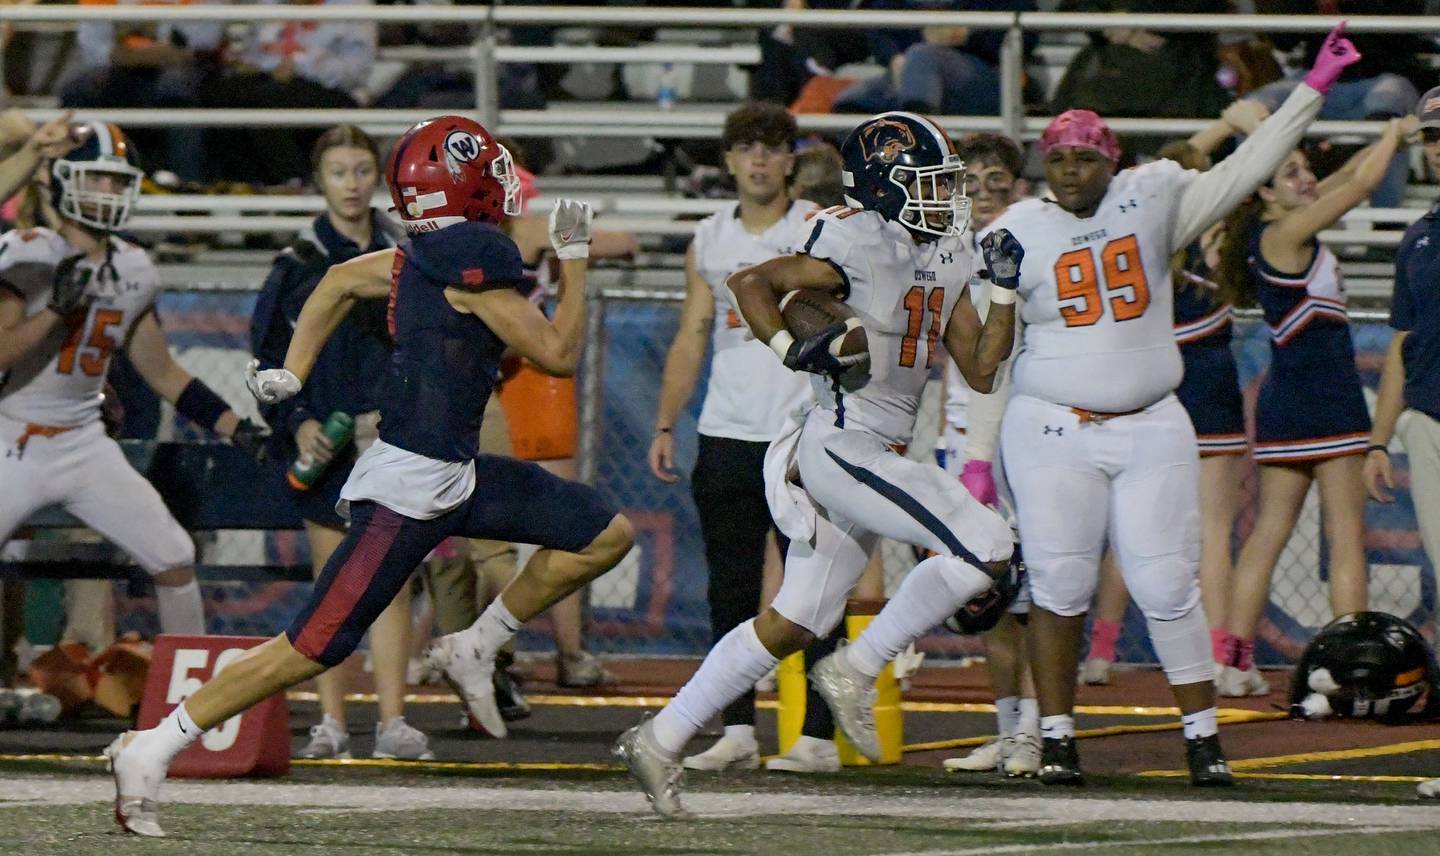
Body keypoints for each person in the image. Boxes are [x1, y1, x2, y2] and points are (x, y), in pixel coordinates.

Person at [106, 116, 634, 837]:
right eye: (487, 170)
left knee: (605, 534)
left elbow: (332, 284)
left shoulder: (411, 259)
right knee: (309, 647)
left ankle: (476, 644)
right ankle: (152, 745)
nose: (501, 181)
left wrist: (293, 370)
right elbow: (560, 355)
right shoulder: (471, 272)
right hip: (410, 489)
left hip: (457, 474)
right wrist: (574, 260)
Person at [617, 110, 1024, 818]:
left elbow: (983, 369)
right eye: (929, 182)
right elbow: (750, 282)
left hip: (878, 448)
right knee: (988, 544)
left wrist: (1006, 292)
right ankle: (856, 669)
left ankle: (660, 737)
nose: (947, 196)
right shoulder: (854, 236)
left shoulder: (948, 248)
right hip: (840, 443)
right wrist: (790, 349)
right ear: (885, 187)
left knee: (796, 618)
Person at [977, 25, 1354, 787]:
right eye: (1059, 158)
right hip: (1051, 425)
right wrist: (981, 457)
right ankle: (1056, 738)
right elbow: (991, 355)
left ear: (1112, 161)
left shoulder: (1150, 197)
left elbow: (1247, 166)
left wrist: (1310, 91)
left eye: (1085, 157)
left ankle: (1202, 738)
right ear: (1044, 166)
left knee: (1165, 584)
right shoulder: (1015, 230)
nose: (1071, 169)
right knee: (1058, 583)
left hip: (1151, 419)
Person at [0, 122, 264, 641]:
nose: (108, 191)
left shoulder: (134, 267)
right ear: (65, 180)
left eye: (118, 181)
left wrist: (233, 424)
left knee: (173, 556)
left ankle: (189, 687)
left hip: (84, 444)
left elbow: (161, 370)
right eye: (97, 179)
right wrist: (54, 311)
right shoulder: (29, 252)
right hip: (15, 438)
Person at [1214, 115, 1417, 697]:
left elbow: (1349, 176)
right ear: (1263, 191)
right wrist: (1394, 135)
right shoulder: (1286, 234)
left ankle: (1233, 662)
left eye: (1305, 169)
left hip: (1286, 400)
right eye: (1292, 173)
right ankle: (1351, 667)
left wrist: (1384, 140)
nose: (1306, 179)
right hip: (1325, 398)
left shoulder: (1278, 228)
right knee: (1347, 536)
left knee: (1268, 535)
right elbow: (1362, 185)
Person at [249, 124, 433, 760]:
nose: (351, 185)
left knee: (393, 578)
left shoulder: (405, 251)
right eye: (338, 172)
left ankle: (392, 722)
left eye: (361, 171)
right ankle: (329, 721)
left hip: (391, 436)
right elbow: (266, 357)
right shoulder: (298, 262)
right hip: (325, 442)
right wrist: (297, 418)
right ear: (318, 181)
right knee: (333, 582)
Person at [645, 102, 814, 773]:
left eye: (771, 146)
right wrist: (666, 420)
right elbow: (693, 332)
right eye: (746, 147)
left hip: (802, 431)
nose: (759, 159)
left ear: (792, 158)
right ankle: (738, 728)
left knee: (812, 583)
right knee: (731, 588)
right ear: (728, 160)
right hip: (727, 429)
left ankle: (817, 733)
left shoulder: (818, 228)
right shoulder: (711, 236)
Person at [930, 132, 1042, 779]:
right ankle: (1007, 730)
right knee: (987, 593)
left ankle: (1039, 729)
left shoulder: (1035, 243)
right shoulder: (945, 250)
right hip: (960, 433)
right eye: (971, 181)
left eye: (996, 179)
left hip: (1024, 433)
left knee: (1040, 589)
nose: (984, 191)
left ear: (1017, 186)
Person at [1367, 87, 1440, 661]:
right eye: (1432, 137)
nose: (1439, 148)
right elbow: (1400, 343)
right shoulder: (1419, 236)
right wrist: (1378, 441)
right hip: (1430, 420)